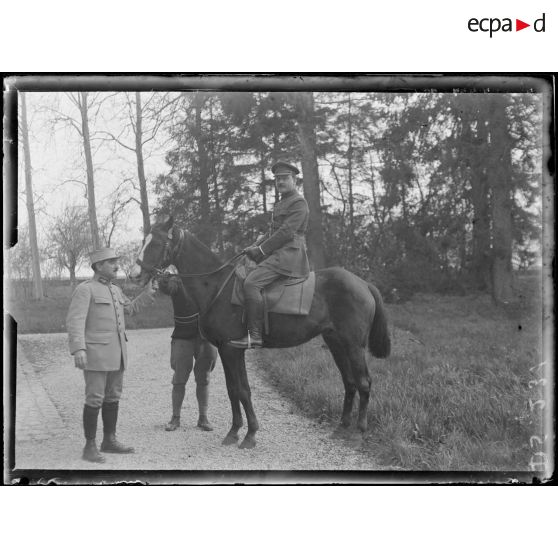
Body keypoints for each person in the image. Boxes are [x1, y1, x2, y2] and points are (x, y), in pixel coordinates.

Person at [66, 247, 156, 463]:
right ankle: (89, 446)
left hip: (118, 354)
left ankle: (109, 440)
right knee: (95, 398)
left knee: (113, 397)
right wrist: (79, 349)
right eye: (112, 262)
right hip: (96, 355)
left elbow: (130, 309)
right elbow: (75, 321)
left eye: (117, 261)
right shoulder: (85, 290)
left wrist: (148, 294)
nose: (117, 266)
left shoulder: (115, 290)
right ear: (98, 266)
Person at [229, 160, 310, 349]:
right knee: (242, 269)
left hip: (289, 255)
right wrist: (254, 245)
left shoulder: (299, 203)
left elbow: (287, 232)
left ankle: (255, 335)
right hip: (278, 253)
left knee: (251, 283)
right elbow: (273, 232)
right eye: (278, 179)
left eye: (285, 178)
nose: (280, 182)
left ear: (294, 180)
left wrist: (261, 250)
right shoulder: (282, 202)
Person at [157, 268, 218, 432]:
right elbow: (166, 288)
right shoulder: (177, 280)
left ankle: (203, 418)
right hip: (182, 337)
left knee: (204, 378)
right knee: (179, 379)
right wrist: (163, 279)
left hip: (207, 337)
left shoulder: (210, 276)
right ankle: (175, 418)